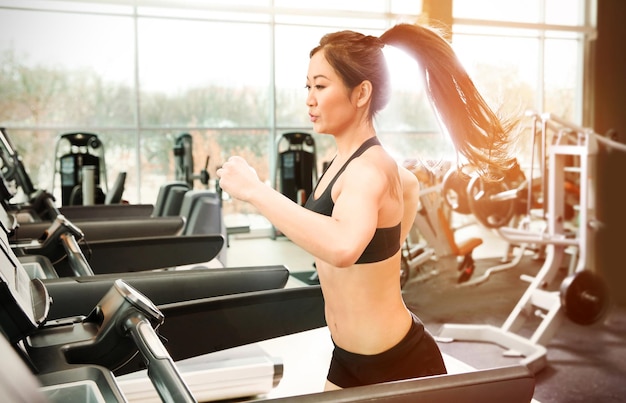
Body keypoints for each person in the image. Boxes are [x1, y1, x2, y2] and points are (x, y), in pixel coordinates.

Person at [216, 23, 517, 390]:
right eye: (307, 86)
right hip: (347, 358)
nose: (309, 99)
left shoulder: (367, 169)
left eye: (321, 86)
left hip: (396, 363)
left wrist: (255, 191)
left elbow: (343, 247)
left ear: (360, 94)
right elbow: (407, 190)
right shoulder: (346, 165)